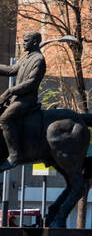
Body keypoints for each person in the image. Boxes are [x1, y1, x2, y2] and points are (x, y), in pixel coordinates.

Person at [0, 32, 46, 170]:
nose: (23, 43)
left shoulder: (39, 59)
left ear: (35, 42)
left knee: (5, 119)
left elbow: (31, 83)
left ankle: (14, 155)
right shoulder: (26, 57)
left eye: (26, 41)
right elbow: (11, 70)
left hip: (26, 100)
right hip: (17, 98)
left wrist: (9, 91)